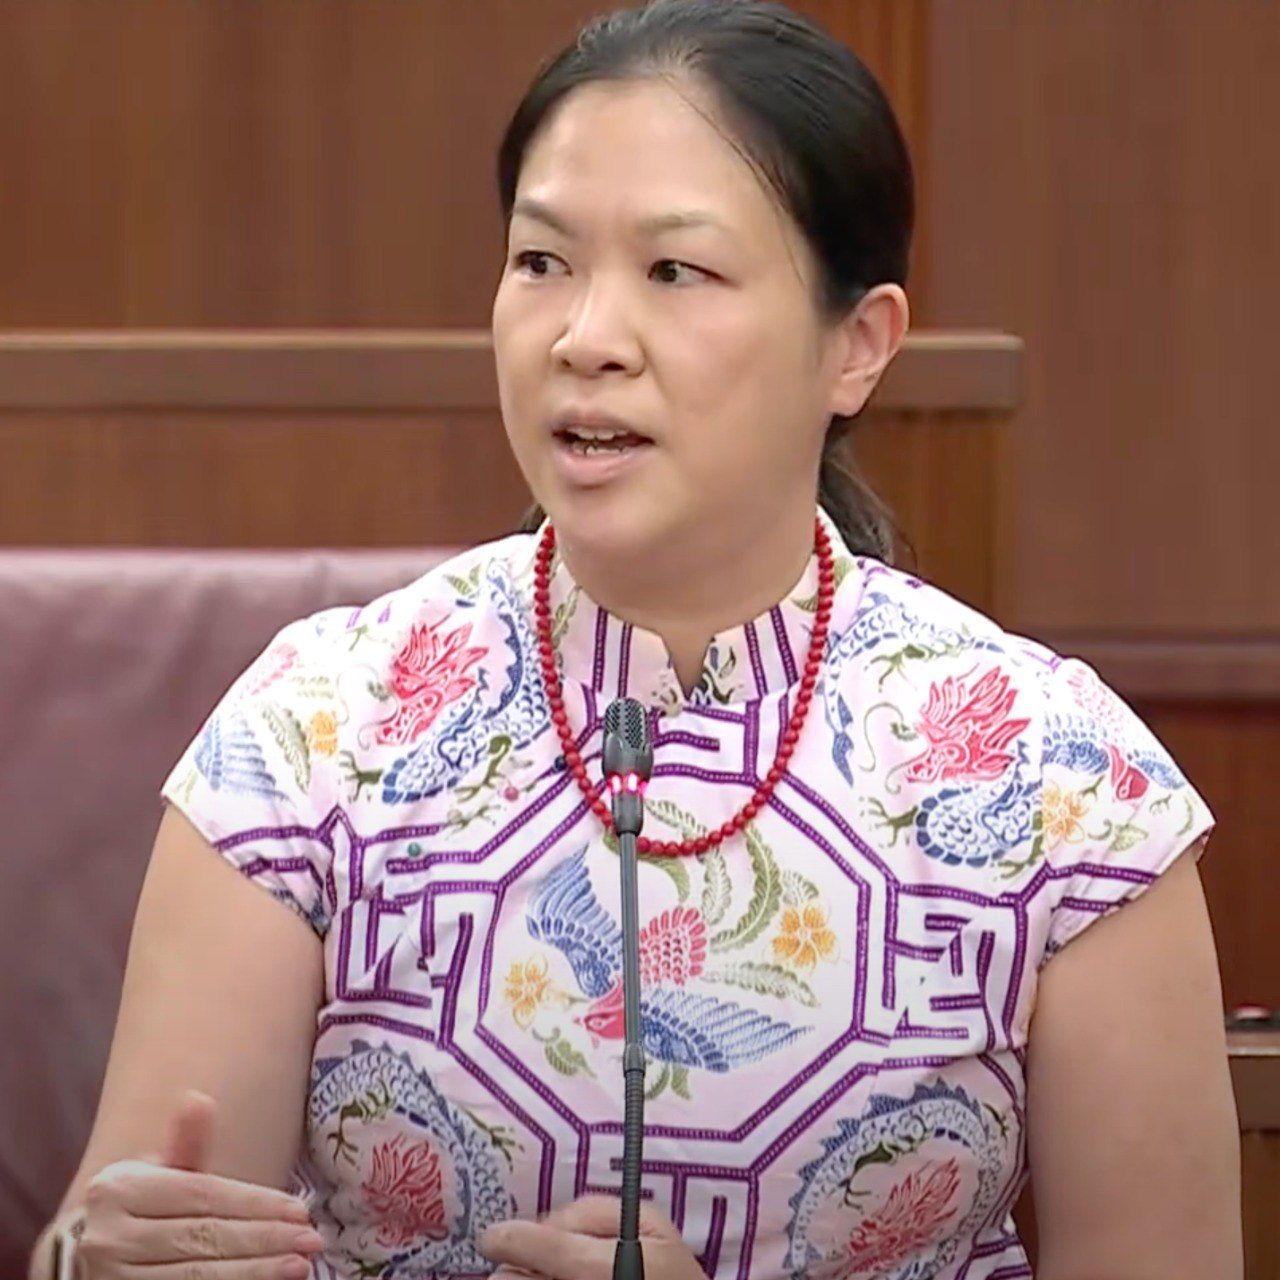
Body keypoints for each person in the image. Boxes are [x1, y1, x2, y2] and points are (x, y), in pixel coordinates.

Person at [30, 2, 1242, 1278]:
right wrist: (90, 1261)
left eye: (674, 271)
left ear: (855, 346)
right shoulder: (313, 729)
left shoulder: (1064, 786)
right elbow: (115, 1228)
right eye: (540, 261)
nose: (584, 339)